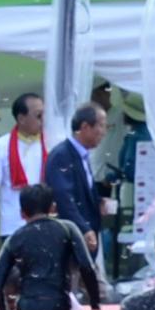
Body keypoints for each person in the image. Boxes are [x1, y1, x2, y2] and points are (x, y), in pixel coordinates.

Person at [0, 91, 49, 258]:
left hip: (46, 222)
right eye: (38, 115)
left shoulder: (50, 141)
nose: (43, 120)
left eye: (44, 114)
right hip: (13, 224)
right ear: (21, 118)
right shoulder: (2, 145)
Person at [47, 104, 108, 250]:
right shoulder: (62, 155)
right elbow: (64, 198)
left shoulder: (83, 155)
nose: (104, 132)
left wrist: (97, 201)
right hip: (71, 234)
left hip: (86, 230)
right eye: (101, 126)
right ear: (85, 127)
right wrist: (83, 228)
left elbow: (81, 190)